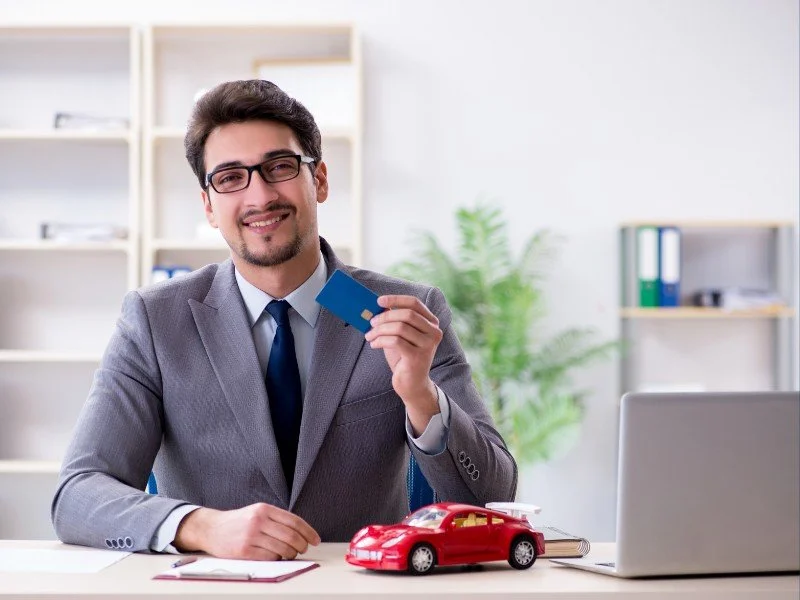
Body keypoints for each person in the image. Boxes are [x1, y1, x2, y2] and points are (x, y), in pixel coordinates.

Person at [51, 79, 517, 560]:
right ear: (209, 205)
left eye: (279, 167)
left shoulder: (405, 312)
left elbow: (492, 499)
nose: (259, 196)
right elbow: (78, 495)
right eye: (231, 177)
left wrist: (421, 395)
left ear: (319, 180)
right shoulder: (155, 321)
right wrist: (199, 526)